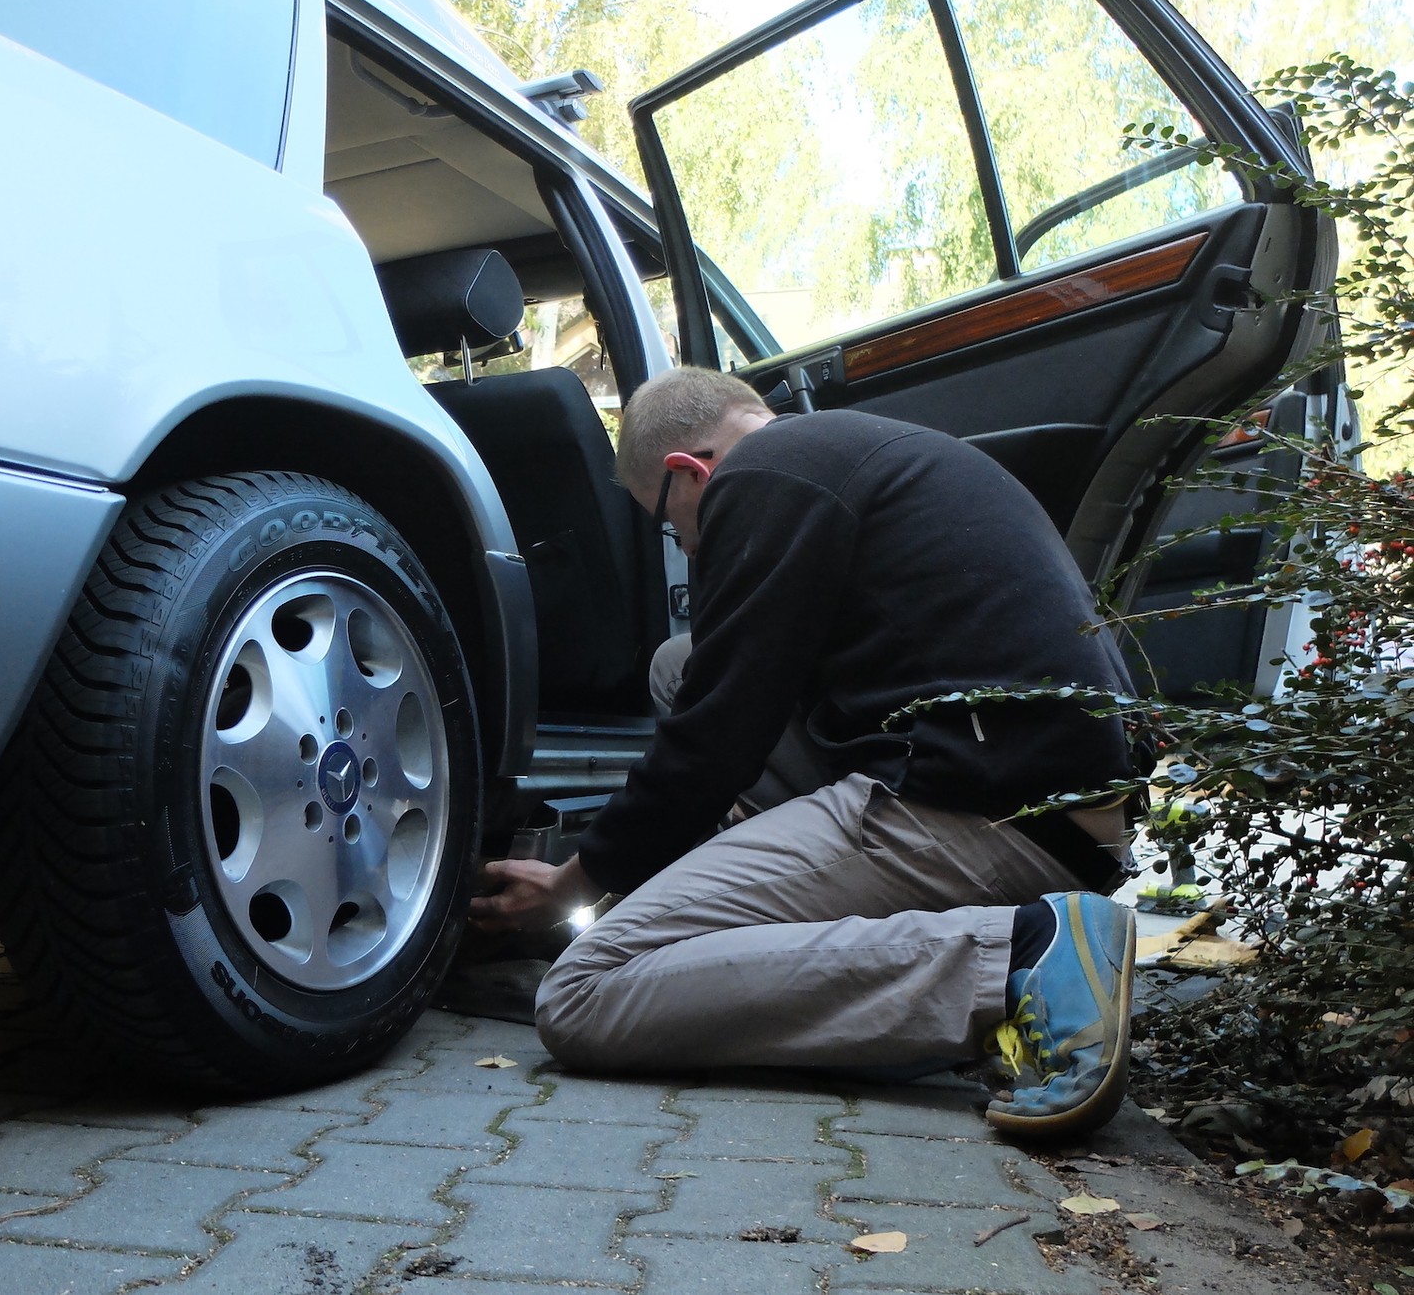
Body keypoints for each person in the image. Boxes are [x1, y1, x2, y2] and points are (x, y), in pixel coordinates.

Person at [469, 367, 1140, 1138]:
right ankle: (820, 941)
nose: (685, 542)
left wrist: (573, 882)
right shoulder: (854, 451)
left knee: (584, 993)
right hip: (1049, 805)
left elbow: (714, 740)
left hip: (972, 807)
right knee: (677, 664)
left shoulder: (760, 476)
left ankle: (1018, 957)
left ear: (690, 473)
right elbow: (716, 690)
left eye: (668, 521)